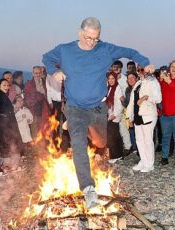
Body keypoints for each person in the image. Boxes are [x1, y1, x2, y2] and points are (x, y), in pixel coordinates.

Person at [42, 17, 154, 209]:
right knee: (78, 145)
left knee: (101, 142)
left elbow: (130, 52)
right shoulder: (65, 49)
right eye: (88, 38)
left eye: (95, 38)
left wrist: (144, 62)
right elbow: (47, 57)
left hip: (98, 108)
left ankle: (86, 130)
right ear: (80, 32)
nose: (91, 42)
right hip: (75, 108)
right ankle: (88, 189)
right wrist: (54, 71)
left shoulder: (105, 49)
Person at [126, 72, 161, 172]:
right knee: (139, 141)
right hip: (137, 116)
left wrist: (146, 97)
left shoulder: (153, 81)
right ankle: (143, 161)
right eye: (139, 69)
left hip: (148, 115)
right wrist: (129, 117)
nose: (141, 71)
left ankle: (150, 164)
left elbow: (158, 98)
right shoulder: (138, 83)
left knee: (148, 140)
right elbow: (132, 102)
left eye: (143, 69)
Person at [0, 79, 23, 178]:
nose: (6, 87)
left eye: (7, 85)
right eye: (4, 85)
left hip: (4, 126)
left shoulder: (2, 95)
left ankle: (4, 168)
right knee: (0, 147)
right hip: (2, 127)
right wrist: (6, 117)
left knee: (3, 147)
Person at [158, 60, 175, 168]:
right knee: (165, 136)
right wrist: (160, 80)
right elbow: (157, 92)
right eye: (172, 66)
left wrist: (169, 81)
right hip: (165, 114)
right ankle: (164, 156)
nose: (173, 69)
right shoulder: (164, 80)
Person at [24, 66, 48, 139]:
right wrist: (40, 95)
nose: (38, 74)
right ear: (33, 73)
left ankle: (42, 143)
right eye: (36, 73)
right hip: (34, 109)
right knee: (34, 127)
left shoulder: (45, 82)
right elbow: (27, 98)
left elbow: (48, 94)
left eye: (39, 73)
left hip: (44, 108)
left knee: (43, 127)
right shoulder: (29, 84)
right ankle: (35, 144)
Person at [106, 72, 124, 164]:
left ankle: (115, 155)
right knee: (116, 135)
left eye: (113, 78)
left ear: (115, 79)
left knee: (112, 136)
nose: (111, 80)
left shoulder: (117, 88)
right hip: (110, 114)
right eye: (109, 79)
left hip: (114, 115)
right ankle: (119, 154)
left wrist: (115, 114)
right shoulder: (109, 88)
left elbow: (120, 104)